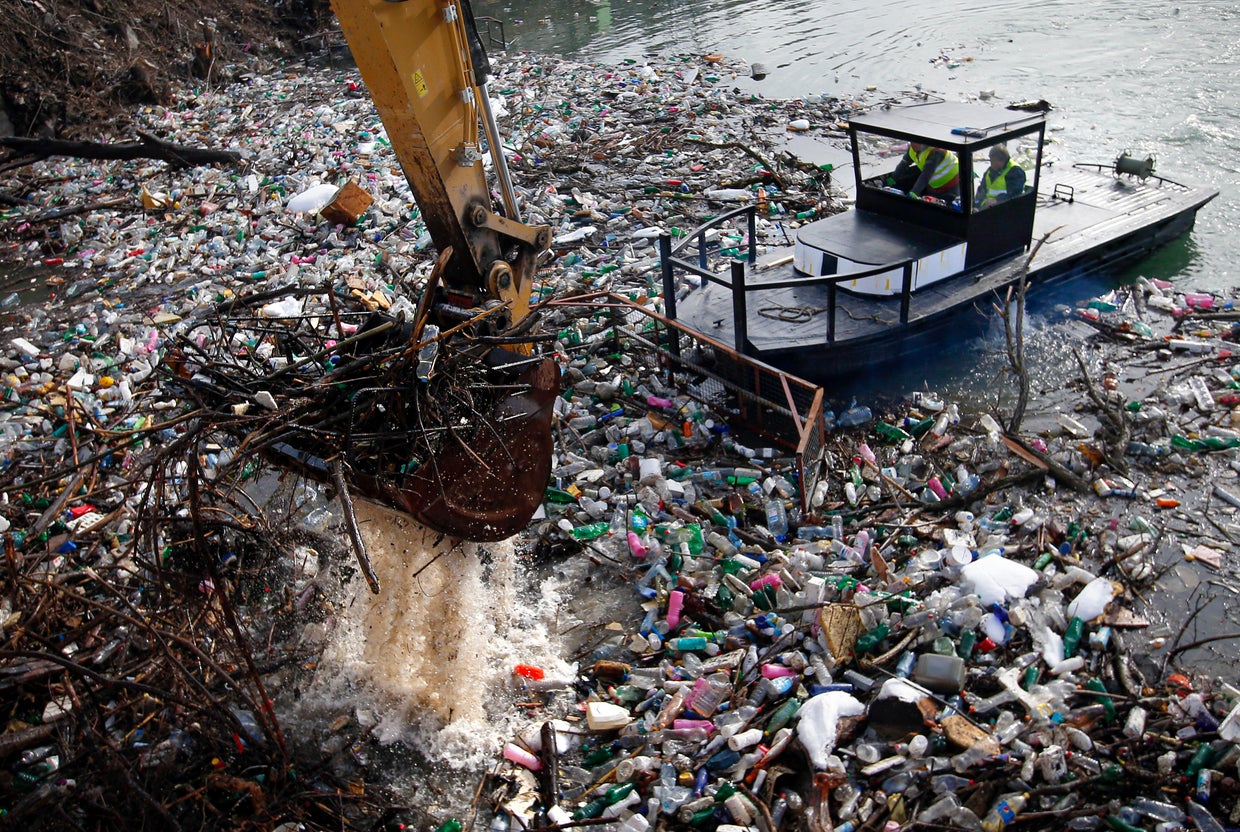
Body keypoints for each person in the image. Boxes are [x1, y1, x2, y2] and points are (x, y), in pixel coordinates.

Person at [889, 142, 960, 201]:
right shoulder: (912, 150)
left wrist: (914, 192)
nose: (916, 144)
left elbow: (925, 176)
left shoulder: (936, 152)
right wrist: (892, 179)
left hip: (953, 184)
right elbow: (903, 164)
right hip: (935, 186)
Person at [974, 144, 1026, 209]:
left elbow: (1015, 193)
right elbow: (982, 190)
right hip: (988, 207)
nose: (991, 163)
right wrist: (976, 205)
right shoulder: (990, 171)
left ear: (1001, 161)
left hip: (1006, 208)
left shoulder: (1014, 171)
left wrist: (997, 200)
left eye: (992, 161)